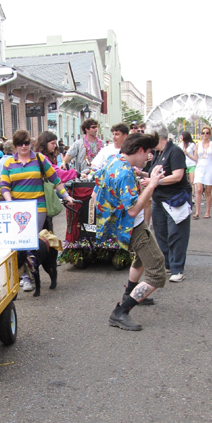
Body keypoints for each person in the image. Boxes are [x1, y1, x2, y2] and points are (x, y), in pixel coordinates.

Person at [94, 132, 166, 331]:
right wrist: (151, 184)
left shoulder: (114, 160)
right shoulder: (125, 173)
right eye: (148, 153)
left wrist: (141, 177)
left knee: (142, 259)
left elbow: (97, 182)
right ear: (140, 150)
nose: (149, 157)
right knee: (157, 272)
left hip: (121, 225)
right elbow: (133, 210)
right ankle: (121, 312)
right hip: (132, 227)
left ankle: (131, 294)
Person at [0, 129, 75, 233]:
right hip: (17, 208)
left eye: (26, 143)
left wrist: (66, 196)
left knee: (33, 238)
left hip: (38, 207)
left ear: (30, 143)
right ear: (15, 145)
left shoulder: (39, 158)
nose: (24, 146)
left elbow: (55, 179)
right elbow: (4, 185)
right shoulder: (9, 163)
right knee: (20, 239)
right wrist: (10, 202)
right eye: (20, 143)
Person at [150, 131, 192, 283]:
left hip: (175, 199)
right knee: (161, 233)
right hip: (159, 200)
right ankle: (168, 264)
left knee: (176, 234)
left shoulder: (174, 151)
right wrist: (143, 175)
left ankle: (177, 268)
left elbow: (178, 176)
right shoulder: (158, 153)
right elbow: (155, 175)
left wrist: (155, 182)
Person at [193, 126, 212, 218]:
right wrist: (187, 154)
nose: (205, 135)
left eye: (207, 133)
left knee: (208, 191)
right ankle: (197, 212)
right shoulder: (198, 144)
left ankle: (208, 212)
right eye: (203, 133)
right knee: (199, 189)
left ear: (210, 134)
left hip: (209, 168)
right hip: (200, 168)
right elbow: (196, 158)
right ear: (201, 134)